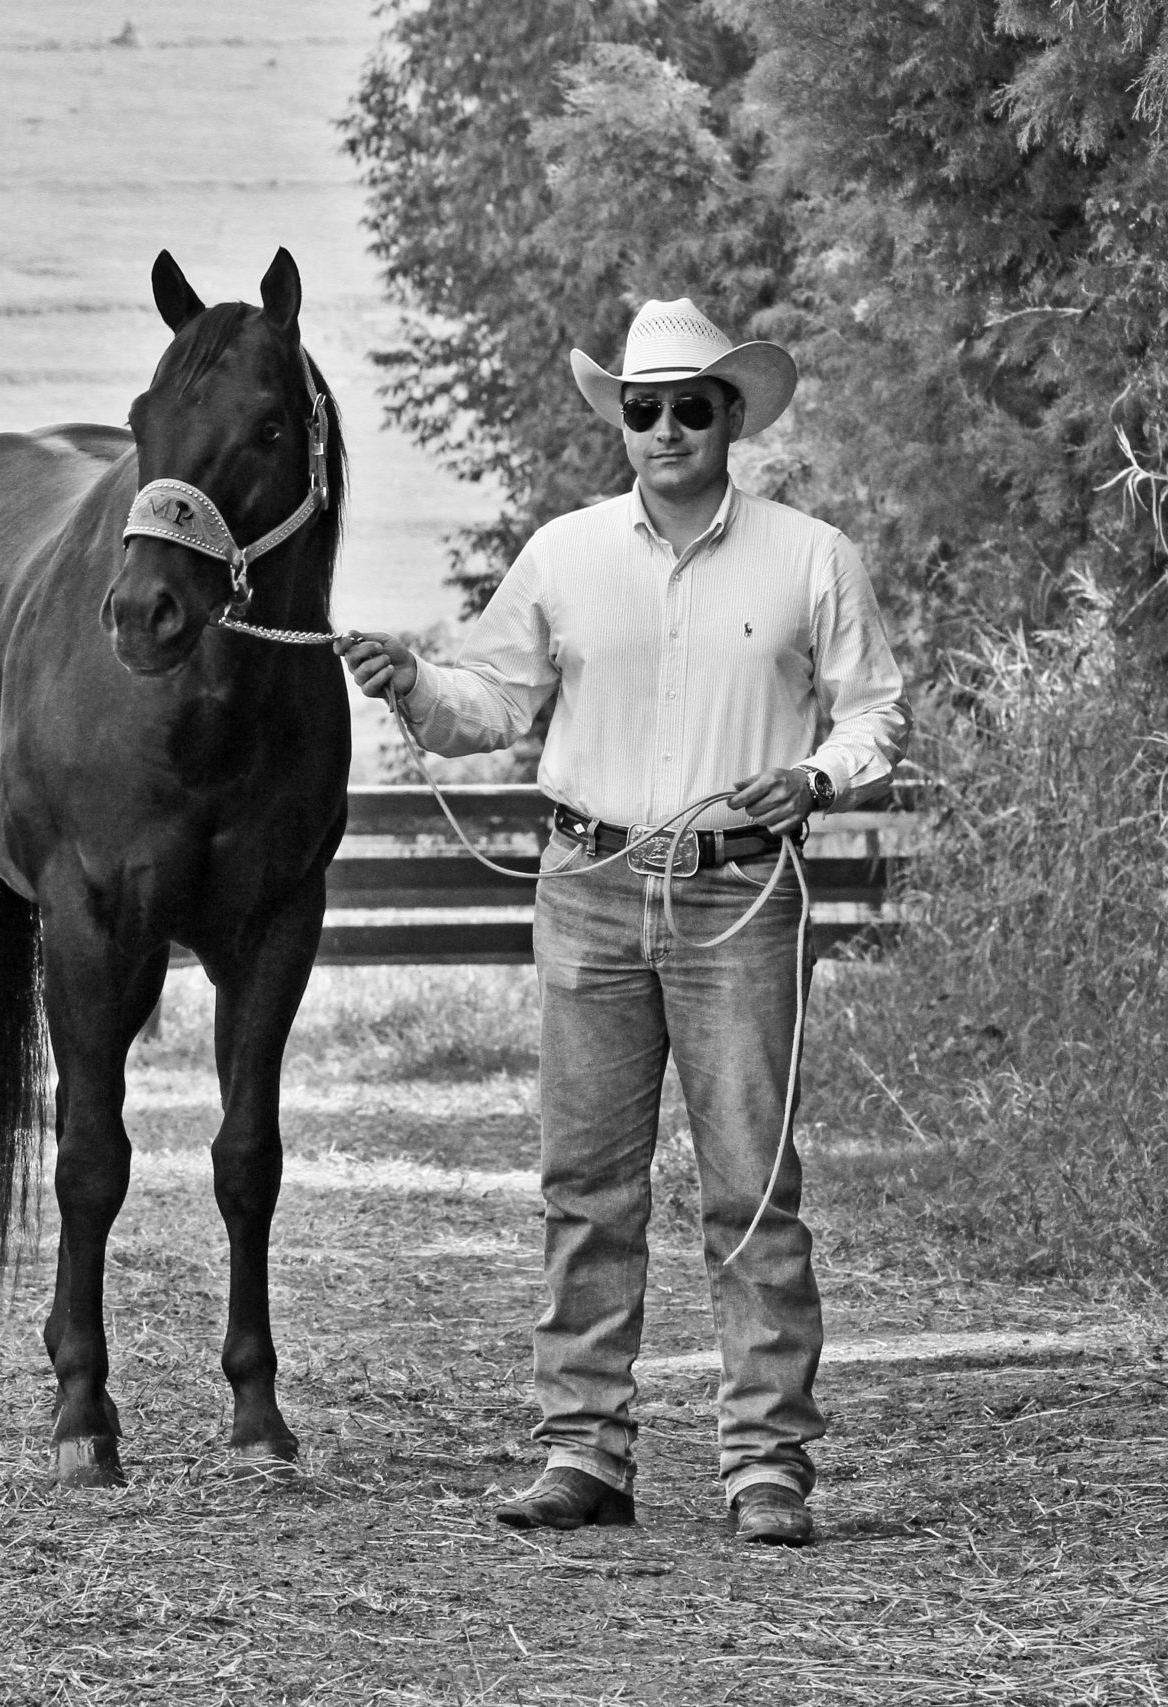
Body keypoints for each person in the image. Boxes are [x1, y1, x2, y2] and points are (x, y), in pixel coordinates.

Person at [336, 299, 907, 1546]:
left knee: (751, 1186)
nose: (662, 428)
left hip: (740, 892)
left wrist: (814, 778)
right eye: (640, 408)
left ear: (730, 417)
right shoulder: (562, 554)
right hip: (585, 885)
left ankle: (766, 1466)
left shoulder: (813, 556)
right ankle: (582, 1451)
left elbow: (873, 714)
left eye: (688, 407)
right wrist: (411, 681)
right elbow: (490, 702)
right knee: (584, 1183)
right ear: (621, 420)